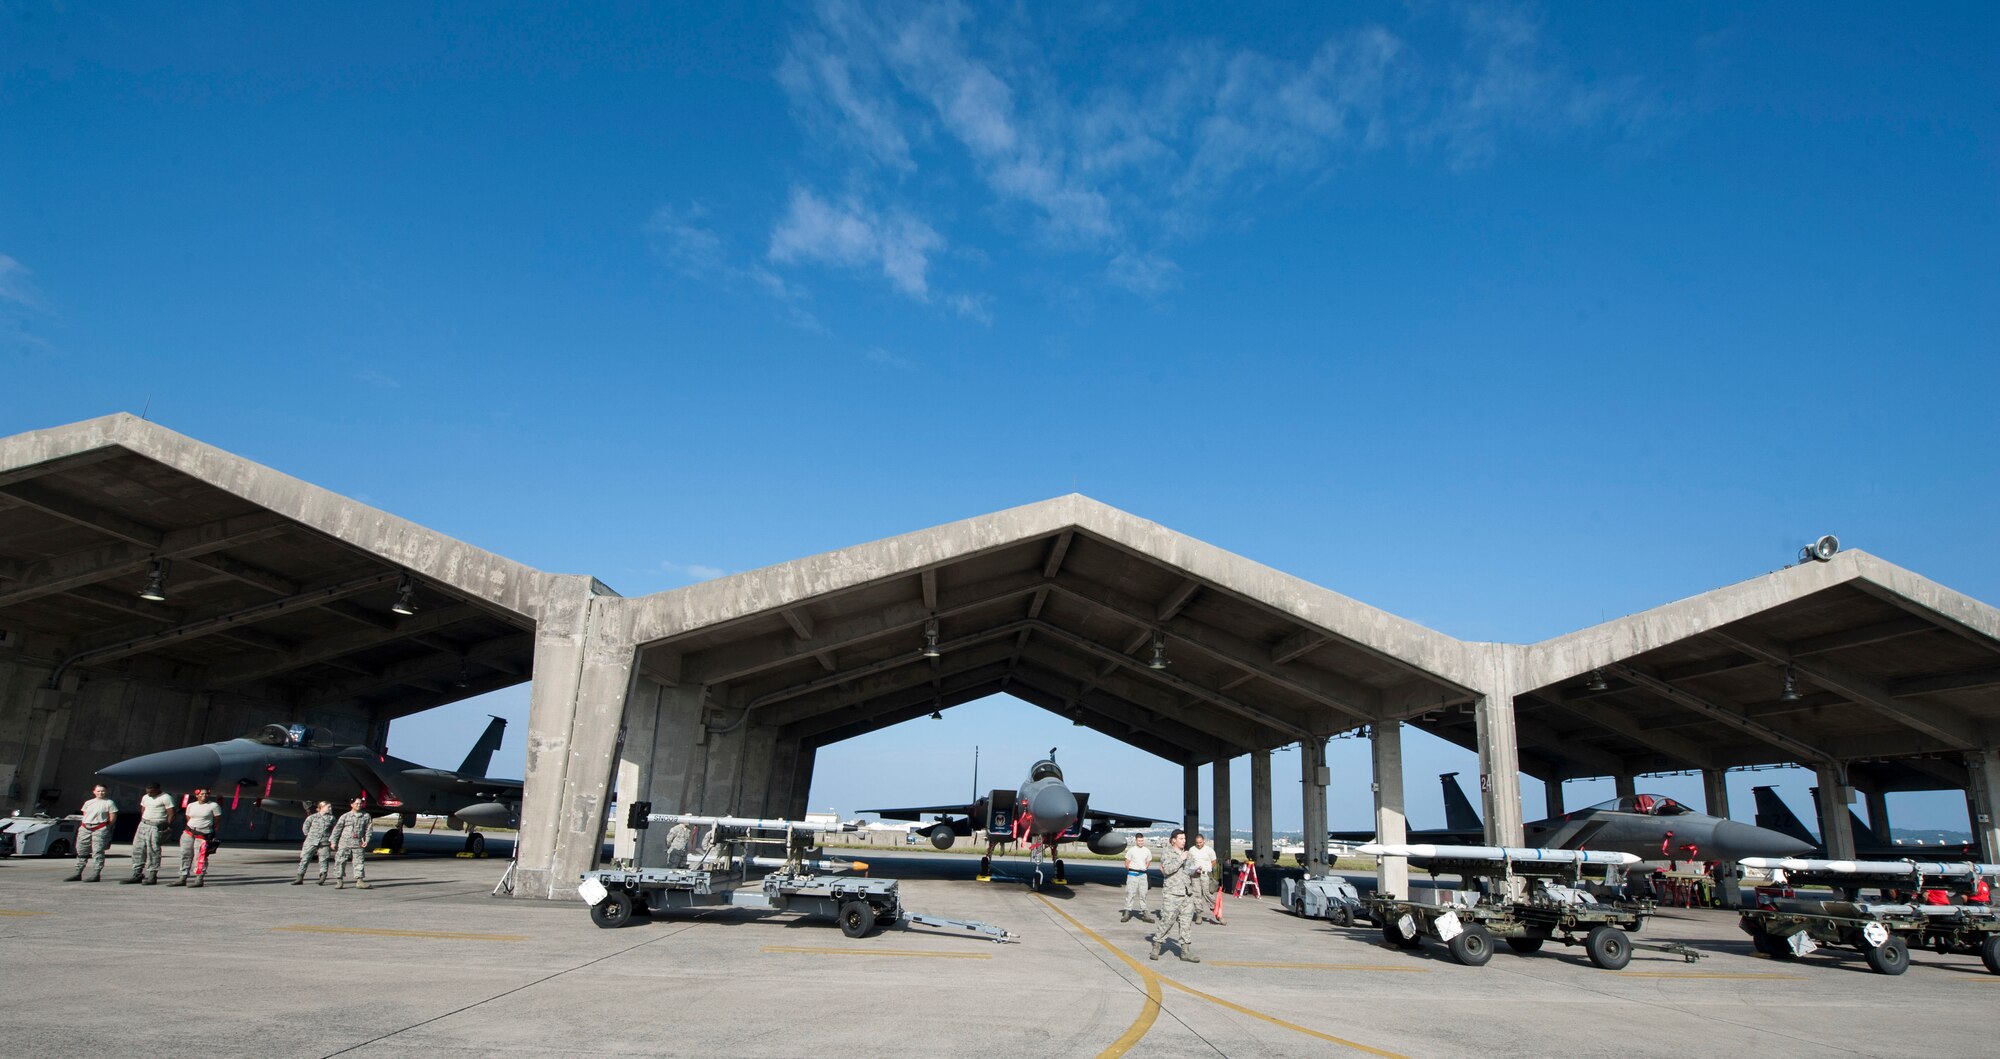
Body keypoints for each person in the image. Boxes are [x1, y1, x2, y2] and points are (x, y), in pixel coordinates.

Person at [1150, 829, 1200, 963]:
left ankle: (1185, 952)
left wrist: (1196, 871)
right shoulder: (1168, 852)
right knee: (1167, 921)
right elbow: (1166, 870)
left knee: (1186, 923)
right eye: (1181, 839)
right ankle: (1156, 946)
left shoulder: (1188, 855)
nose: (1184, 841)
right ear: (1173, 840)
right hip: (1172, 894)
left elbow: (1189, 871)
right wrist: (1180, 858)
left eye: (1184, 839)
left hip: (1186, 893)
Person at [121, 783, 174, 885]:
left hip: (156, 825)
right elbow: (143, 808)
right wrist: (143, 820)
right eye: (147, 791)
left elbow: (171, 813)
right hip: (144, 824)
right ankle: (137, 873)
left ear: (158, 789)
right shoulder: (145, 797)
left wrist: (167, 826)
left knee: (153, 850)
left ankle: (152, 875)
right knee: (138, 849)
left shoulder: (166, 797)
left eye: (152, 791)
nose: (149, 793)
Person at [64, 784, 118, 882]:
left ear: (106, 792)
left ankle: (96, 873)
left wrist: (105, 827)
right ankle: (78, 872)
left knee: (98, 851)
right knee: (82, 850)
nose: (100, 793)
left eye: (103, 791)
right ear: (94, 792)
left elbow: (112, 817)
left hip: (100, 828)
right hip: (85, 828)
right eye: (98, 791)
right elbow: (85, 814)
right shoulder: (88, 803)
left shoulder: (109, 803)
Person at [172, 787, 221, 887]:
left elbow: (217, 819)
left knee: (200, 857)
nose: (204, 796)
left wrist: (208, 829)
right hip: (188, 833)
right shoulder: (191, 805)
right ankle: (182, 877)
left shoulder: (213, 805)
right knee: (185, 854)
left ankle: (199, 879)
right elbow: (188, 817)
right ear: (197, 795)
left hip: (203, 834)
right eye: (202, 794)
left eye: (206, 794)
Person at [330, 797, 374, 890]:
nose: (359, 805)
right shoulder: (345, 816)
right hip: (345, 842)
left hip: (358, 842)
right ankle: (339, 880)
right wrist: (333, 841)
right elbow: (337, 829)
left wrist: (367, 840)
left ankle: (359, 881)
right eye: (356, 803)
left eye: (360, 803)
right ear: (351, 805)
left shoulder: (366, 816)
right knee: (340, 861)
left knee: (359, 861)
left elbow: (368, 830)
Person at [295, 801, 336, 885]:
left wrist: (331, 839)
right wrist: (309, 835)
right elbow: (305, 827)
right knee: (305, 859)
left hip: (324, 842)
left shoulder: (332, 818)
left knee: (324, 860)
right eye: (328, 807)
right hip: (311, 841)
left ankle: (322, 877)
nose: (330, 808)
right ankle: (299, 877)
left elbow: (335, 830)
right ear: (321, 807)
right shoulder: (312, 817)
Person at [1189, 833, 1221, 924]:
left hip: (1205, 874)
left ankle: (1217, 912)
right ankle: (1199, 915)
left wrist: (1207, 868)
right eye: (1197, 843)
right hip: (1195, 875)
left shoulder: (1209, 850)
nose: (1199, 844)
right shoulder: (1192, 850)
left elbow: (1214, 861)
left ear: (1204, 841)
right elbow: (1189, 862)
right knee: (1197, 895)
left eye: (1200, 842)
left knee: (1207, 893)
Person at [1121, 831, 1152, 923]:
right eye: (1139, 841)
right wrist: (1131, 870)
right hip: (1132, 874)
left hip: (1143, 874)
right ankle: (1127, 913)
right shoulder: (1132, 850)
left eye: (1142, 841)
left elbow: (1148, 861)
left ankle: (1145, 913)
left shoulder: (1147, 851)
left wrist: (1143, 868)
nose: (1141, 842)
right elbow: (1127, 862)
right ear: (1136, 841)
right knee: (1130, 893)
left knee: (1143, 894)